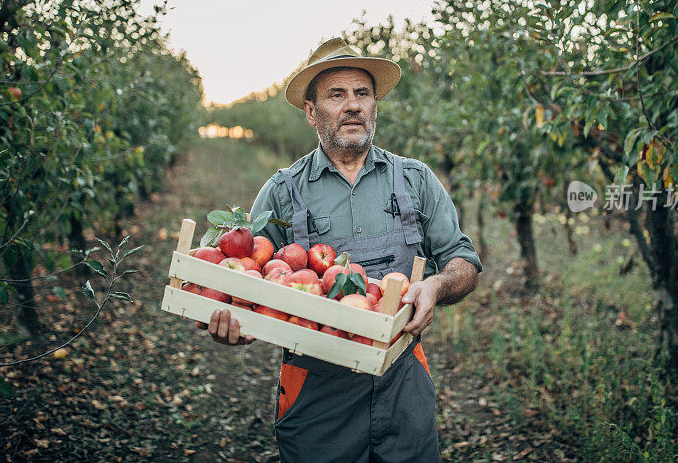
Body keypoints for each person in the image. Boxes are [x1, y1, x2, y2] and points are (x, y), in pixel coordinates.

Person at [199, 37, 482, 462]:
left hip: (402, 380)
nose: (353, 105)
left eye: (362, 94)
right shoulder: (281, 192)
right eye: (337, 95)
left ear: (373, 106)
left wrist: (438, 286)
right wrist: (233, 323)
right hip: (316, 392)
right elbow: (247, 282)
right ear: (312, 113)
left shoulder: (415, 180)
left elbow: (463, 260)